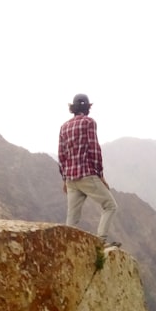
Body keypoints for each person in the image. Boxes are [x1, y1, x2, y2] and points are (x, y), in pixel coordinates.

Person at [58, 93, 119, 247]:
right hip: (87, 175)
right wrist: (100, 175)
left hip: (71, 179)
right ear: (88, 107)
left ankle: (67, 246)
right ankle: (100, 242)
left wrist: (65, 179)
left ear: (73, 107)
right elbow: (94, 149)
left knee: (72, 216)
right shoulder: (89, 122)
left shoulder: (64, 127)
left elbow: (61, 154)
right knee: (110, 206)